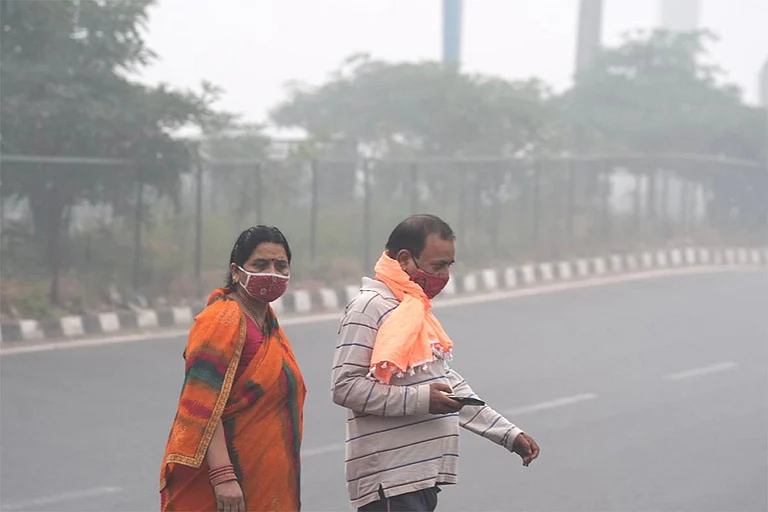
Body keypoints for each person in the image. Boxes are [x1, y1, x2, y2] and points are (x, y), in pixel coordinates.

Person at [331, 214, 540, 511]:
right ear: (405, 259)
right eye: (437, 266)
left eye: (448, 266)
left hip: (420, 480)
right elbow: (346, 388)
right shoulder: (370, 306)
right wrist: (421, 400)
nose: (444, 276)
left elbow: (448, 386)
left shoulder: (412, 307)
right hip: (390, 482)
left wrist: (507, 434)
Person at [160, 225, 306, 512]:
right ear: (237, 271)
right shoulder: (223, 318)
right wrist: (223, 476)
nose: (272, 273)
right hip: (227, 483)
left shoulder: (267, 323)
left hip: (266, 477)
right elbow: (202, 404)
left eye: (281, 265)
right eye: (260, 264)